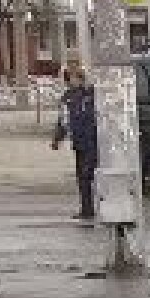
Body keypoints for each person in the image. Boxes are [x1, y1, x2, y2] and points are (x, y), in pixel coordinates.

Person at [50, 67, 99, 221]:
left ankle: (95, 207)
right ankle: (87, 209)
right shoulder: (67, 98)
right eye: (70, 78)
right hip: (79, 143)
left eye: (76, 78)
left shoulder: (91, 94)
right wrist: (57, 138)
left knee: (88, 175)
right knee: (82, 177)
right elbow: (63, 120)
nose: (72, 81)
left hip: (93, 141)